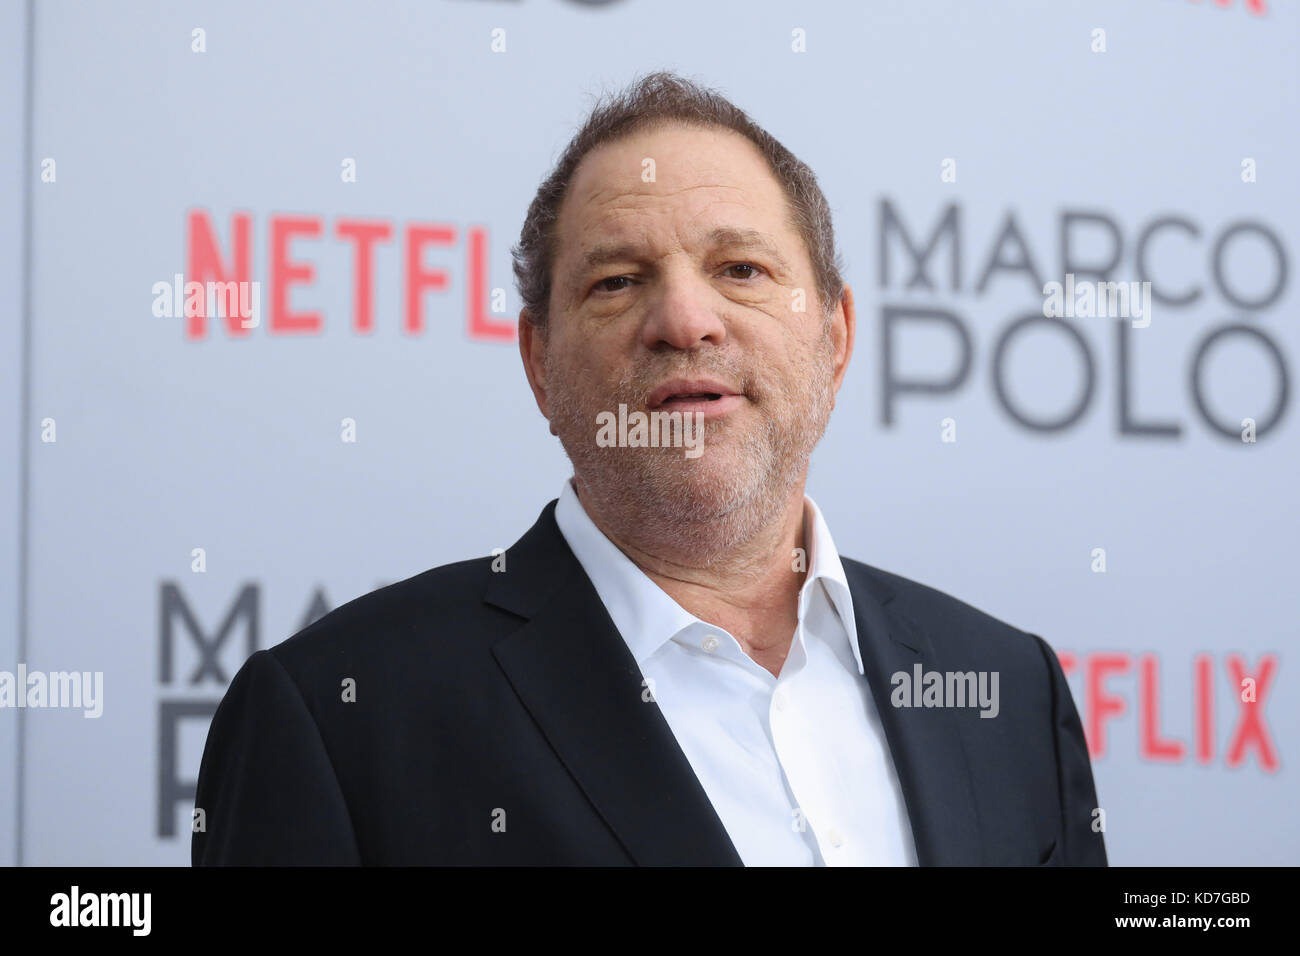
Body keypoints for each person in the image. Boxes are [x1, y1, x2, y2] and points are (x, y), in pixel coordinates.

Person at [192, 71, 1106, 866]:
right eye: (618, 281)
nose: (685, 319)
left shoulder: (1008, 689)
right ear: (539, 364)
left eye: (741, 269)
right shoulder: (338, 718)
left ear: (836, 338)